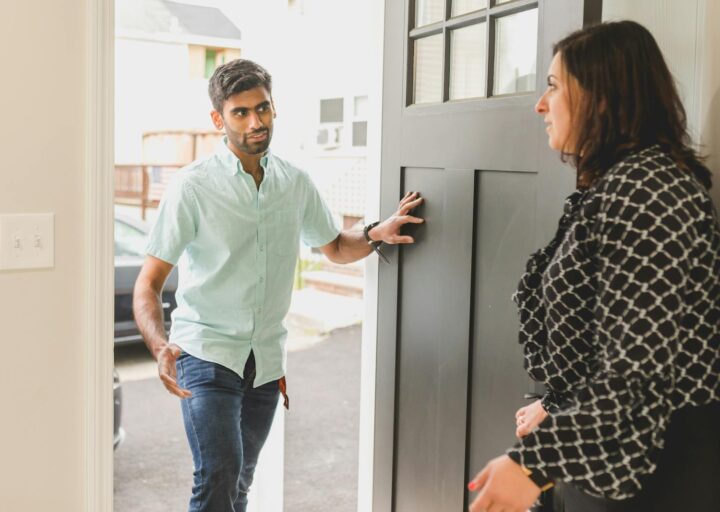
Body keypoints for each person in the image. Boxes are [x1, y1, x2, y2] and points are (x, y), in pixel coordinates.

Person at [132, 59, 424, 512]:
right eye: (241, 113)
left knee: (240, 484)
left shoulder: (294, 182)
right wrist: (159, 346)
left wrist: (375, 233)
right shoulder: (192, 188)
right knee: (217, 481)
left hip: (264, 363)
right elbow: (148, 283)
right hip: (206, 354)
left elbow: (335, 247)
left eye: (263, 109)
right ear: (218, 120)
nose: (256, 122)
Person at [468, 20, 720, 512]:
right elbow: (608, 341)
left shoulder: (649, 190)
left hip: (655, 472)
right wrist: (556, 407)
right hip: (610, 452)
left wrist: (533, 463)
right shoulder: (615, 184)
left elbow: (638, 371)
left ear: (603, 96)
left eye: (554, 87)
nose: (540, 105)